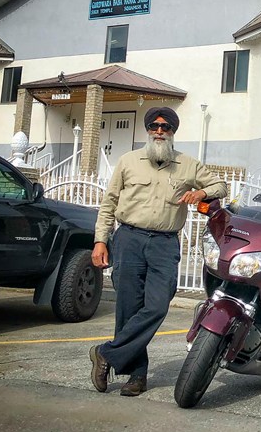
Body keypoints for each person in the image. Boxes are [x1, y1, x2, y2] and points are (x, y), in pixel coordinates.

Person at [89, 106, 227, 396]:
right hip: (128, 239)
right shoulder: (128, 161)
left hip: (165, 243)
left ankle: (106, 354)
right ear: (148, 130)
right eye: (154, 126)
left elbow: (220, 185)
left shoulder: (187, 165)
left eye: (166, 127)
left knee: (157, 306)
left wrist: (201, 193)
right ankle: (137, 376)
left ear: (174, 132)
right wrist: (100, 240)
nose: (160, 131)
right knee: (128, 309)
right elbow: (109, 203)